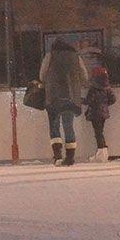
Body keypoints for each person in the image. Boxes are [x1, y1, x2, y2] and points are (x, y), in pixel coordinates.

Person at [39, 38, 88, 166]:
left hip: (53, 97)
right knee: (68, 126)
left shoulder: (50, 56)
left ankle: (57, 156)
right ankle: (70, 157)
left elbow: (42, 75)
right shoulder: (76, 57)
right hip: (71, 97)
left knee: (54, 127)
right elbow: (84, 76)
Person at [83, 66, 116, 163]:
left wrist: (79, 100)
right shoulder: (107, 88)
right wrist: (105, 105)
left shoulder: (93, 89)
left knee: (98, 133)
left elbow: (89, 100)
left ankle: (101, 153)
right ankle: (104, 153)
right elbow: (113, 99)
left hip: (94, 113)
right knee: (100, 132)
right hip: (104, 113)